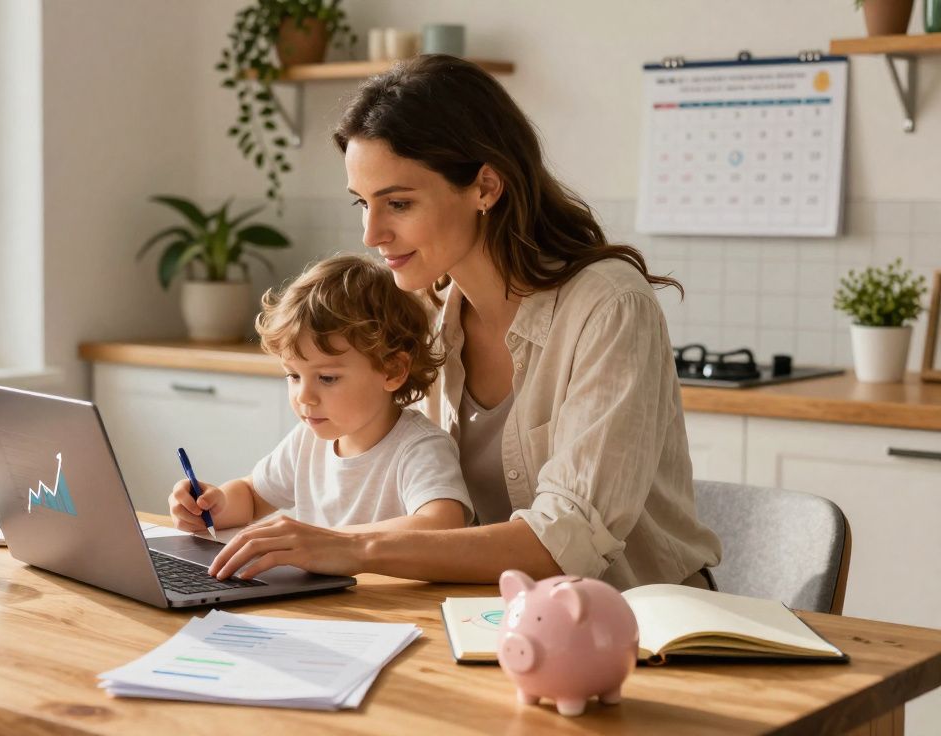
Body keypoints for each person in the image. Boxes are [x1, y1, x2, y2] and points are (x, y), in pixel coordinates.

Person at [209, 54, 722, 590]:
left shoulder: (609, 306)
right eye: (362, 203)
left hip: (641, 624)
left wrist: (350, 546)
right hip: (499, 614)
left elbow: (562, 543)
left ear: (485, 188)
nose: (371, 233)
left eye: (399, 203)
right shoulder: (422, 311)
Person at [168, 254, 473, 537]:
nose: (304, 396)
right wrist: (213, 505)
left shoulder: (419, 448)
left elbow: (443, 523)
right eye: (294, 376)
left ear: (392, 370)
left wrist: (329, 541)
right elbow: (252, 495)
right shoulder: (307, 441)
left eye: (327, 378)